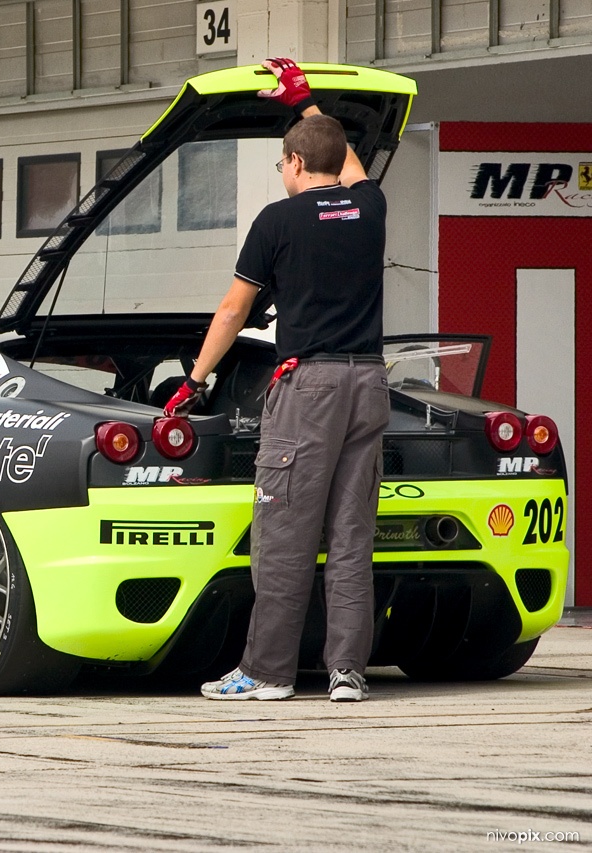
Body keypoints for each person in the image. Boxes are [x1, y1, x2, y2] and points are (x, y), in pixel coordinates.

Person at [165, 58, 389, 703]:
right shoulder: (367, 208)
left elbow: (234, 310)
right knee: (351, 537)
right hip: (367, 385)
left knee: (285, 534)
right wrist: (308, 103)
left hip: (309, 390)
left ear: (292, 165)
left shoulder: (278, 221)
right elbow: (343, 159)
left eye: (284, 164)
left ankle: (266, 672)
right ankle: (347, 672)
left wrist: (195, 379)